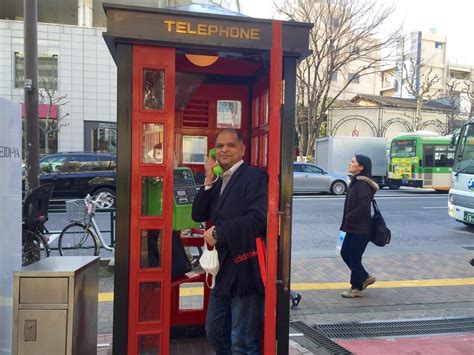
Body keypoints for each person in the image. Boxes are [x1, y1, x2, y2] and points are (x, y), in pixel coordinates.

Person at [192, 128, 268, 354]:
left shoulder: (254, 177)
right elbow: (197, 214)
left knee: (242, 341)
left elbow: (259, 219)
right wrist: (208, 179)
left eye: (231, 145)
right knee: (214, 331)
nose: (224, 150)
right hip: (223, 268)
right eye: (220, 146)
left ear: (242, 150)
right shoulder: (218, 180)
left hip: (245, 266)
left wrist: (218, 233)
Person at [339, 154, 379, 298]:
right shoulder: (355, 181)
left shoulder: (363, 184)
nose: (350, 164)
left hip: (361, 228)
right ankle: (365, 277)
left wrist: (350, 217)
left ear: (361, 167)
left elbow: (363, 207)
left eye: (353, 162)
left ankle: (357, 287)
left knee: (354, 257)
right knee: (345, 253)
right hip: (351, 227)